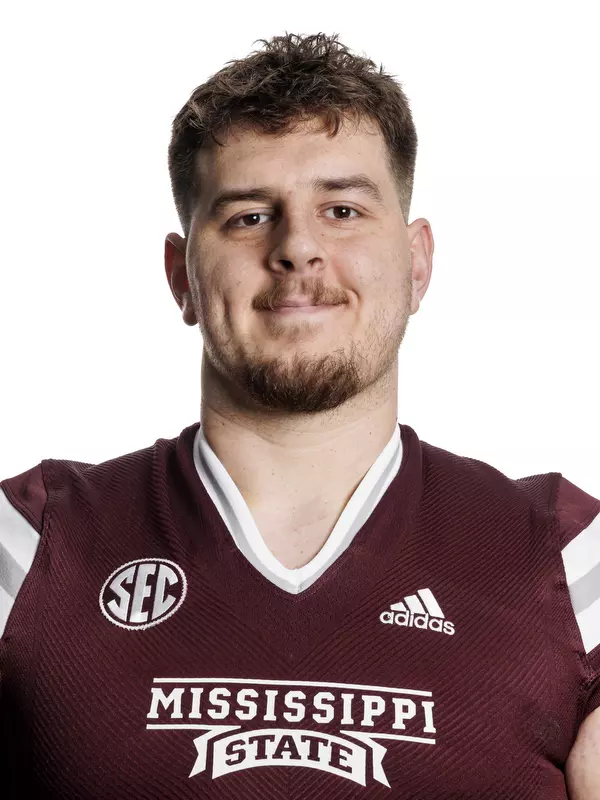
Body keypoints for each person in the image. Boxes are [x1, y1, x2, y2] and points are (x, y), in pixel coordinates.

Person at [0, 31, 598, 799]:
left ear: (417, 264)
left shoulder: (574, 562)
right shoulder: (28, 544)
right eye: (249, 217)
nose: (298, 249)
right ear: (181, 276)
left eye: (342, 209)